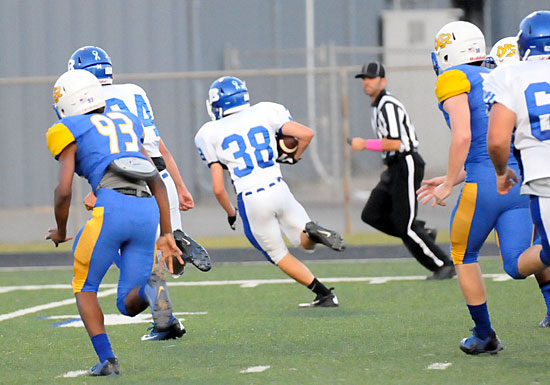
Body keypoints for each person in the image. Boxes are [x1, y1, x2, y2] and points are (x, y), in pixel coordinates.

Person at [418, 19, 550, 355]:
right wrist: (456, 174)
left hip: (486, 182)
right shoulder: (501, 74)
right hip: (518, 178)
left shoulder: (453, 77)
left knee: (463, 254)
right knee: (518, 263)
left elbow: (465, 135)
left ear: (447, 52)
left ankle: (484, 334)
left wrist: (449, 182)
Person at [45, 70, 183, 376]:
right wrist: (167, 232)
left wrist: (62, 230)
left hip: (112, 208)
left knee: (85, 287)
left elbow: (64, 189)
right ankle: (151, 291)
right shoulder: (126, 121)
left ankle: (107, 360)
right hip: (147, 209)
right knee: (128, 303)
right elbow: (156, 179)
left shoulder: (66, 127)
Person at [68, 46, 210, 340]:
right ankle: (166, 321)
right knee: (161, 259)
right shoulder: (135, 91)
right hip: (162, 180)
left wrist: (100, 191)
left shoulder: (89, 105)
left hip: (128, 184)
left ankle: (162, 300)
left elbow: (120, 151)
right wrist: (180, 188)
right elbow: (157, 145)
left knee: (130, 258)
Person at [194, 76, 345, 308]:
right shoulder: (266, 111)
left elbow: (218, 188)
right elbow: (306, 134)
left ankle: (324, 294)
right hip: (279, 187)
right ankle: (313, 233)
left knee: (277, 254)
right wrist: (294, 157)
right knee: (305, 242)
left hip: (251, 198)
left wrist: (231, 212)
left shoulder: (209, 133)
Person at [349, 61, 455, 280]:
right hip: (393, 167)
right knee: (371, 214)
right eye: (364, 79)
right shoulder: (377, 106)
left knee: (405, 226)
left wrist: (364, 144)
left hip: (405, 162)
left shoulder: (388, 104)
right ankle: (422, 233)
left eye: (371, 78)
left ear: (383, 81)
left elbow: (395, 143)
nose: (367, 82)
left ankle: (443, 264)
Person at [485, 11, 550, 327]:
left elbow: (496, 140)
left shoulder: (508, 77)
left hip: (538, 178)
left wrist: (500, 172)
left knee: (527, 259)